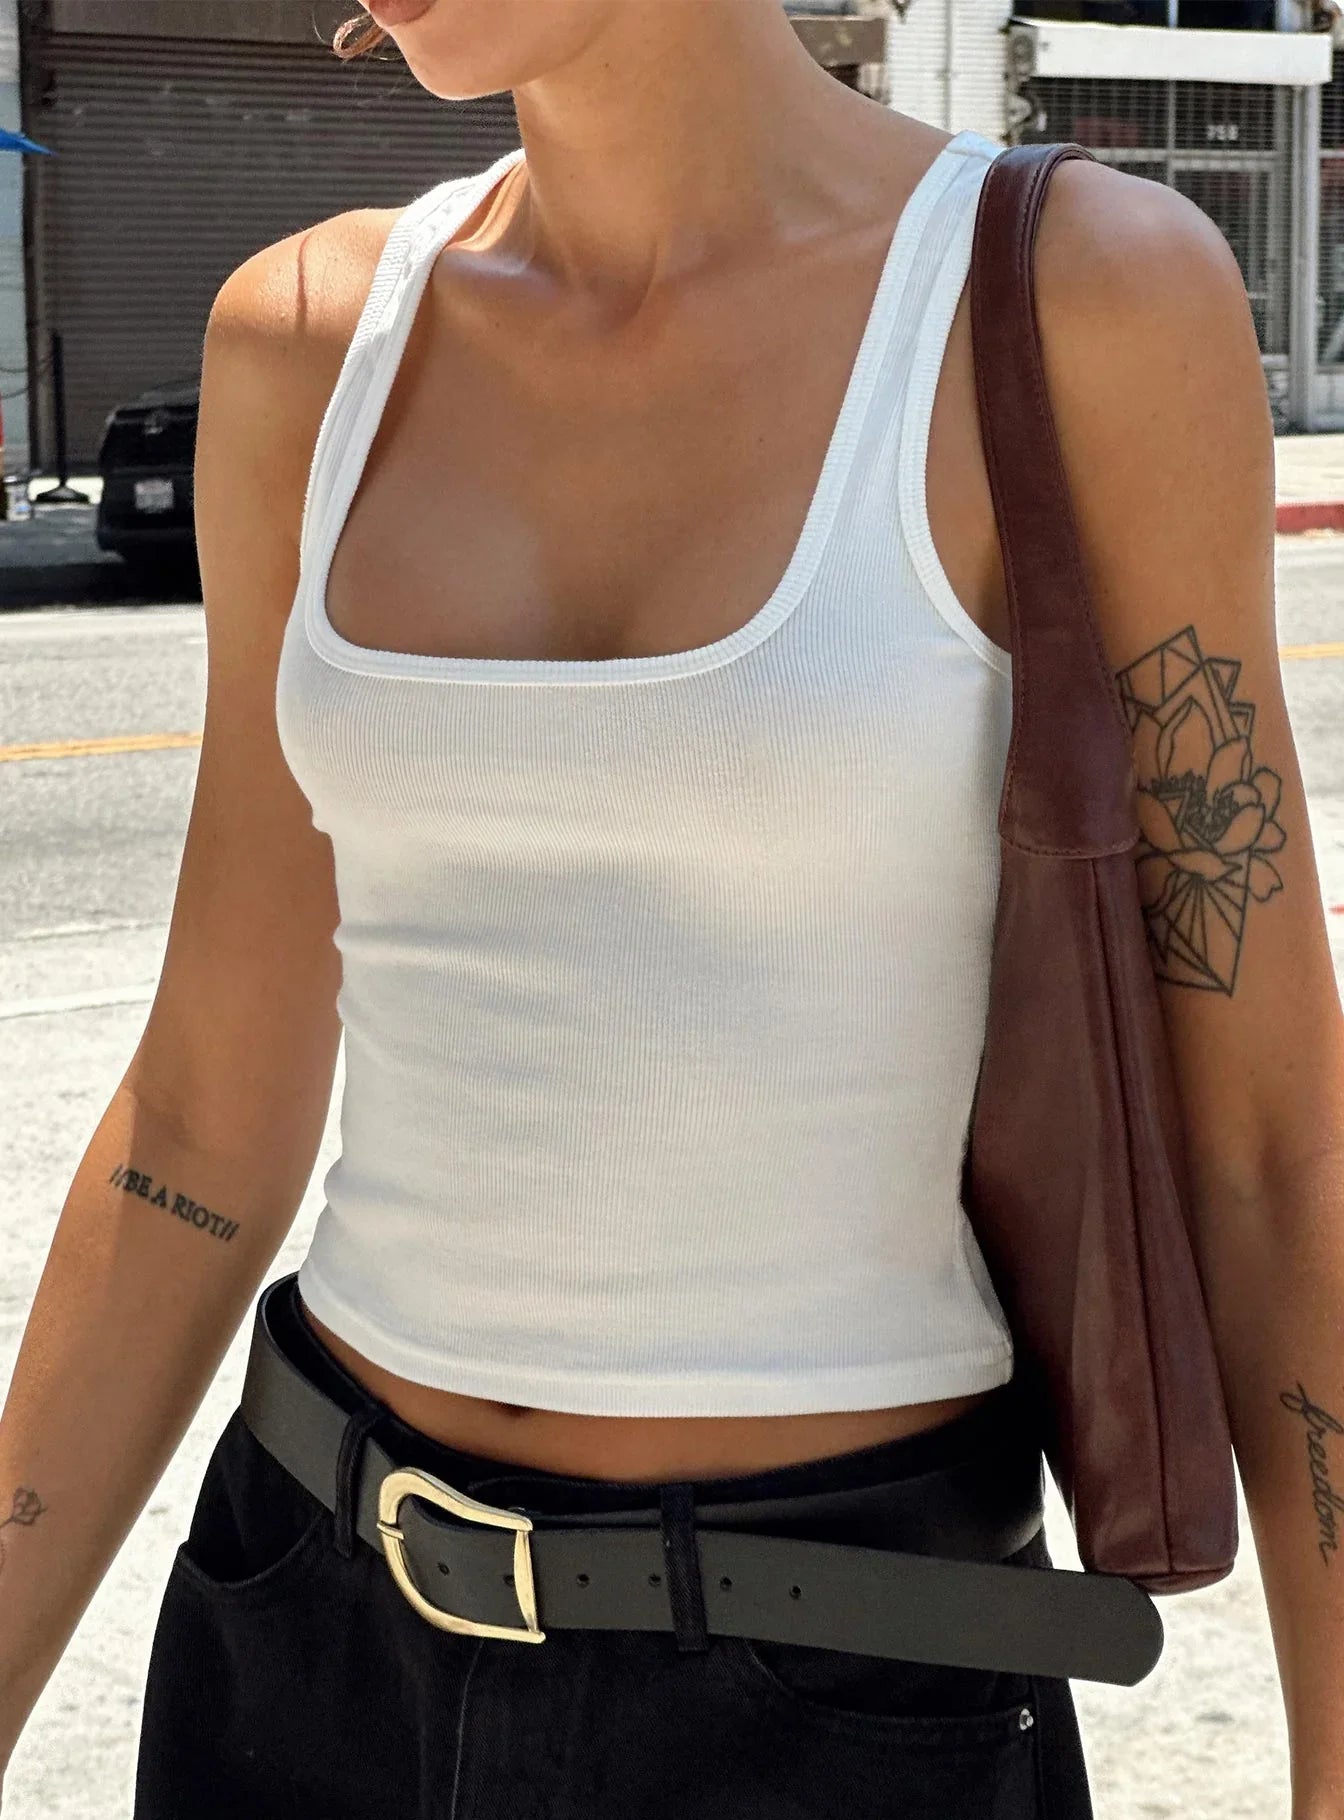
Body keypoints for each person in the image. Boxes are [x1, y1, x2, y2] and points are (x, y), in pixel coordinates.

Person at [2, 1, 1342, 1815]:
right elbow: (201, 1119)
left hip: (846, 1676)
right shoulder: (310, 338)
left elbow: (1272, 1148)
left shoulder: (1070, 296)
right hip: (305, 1616)